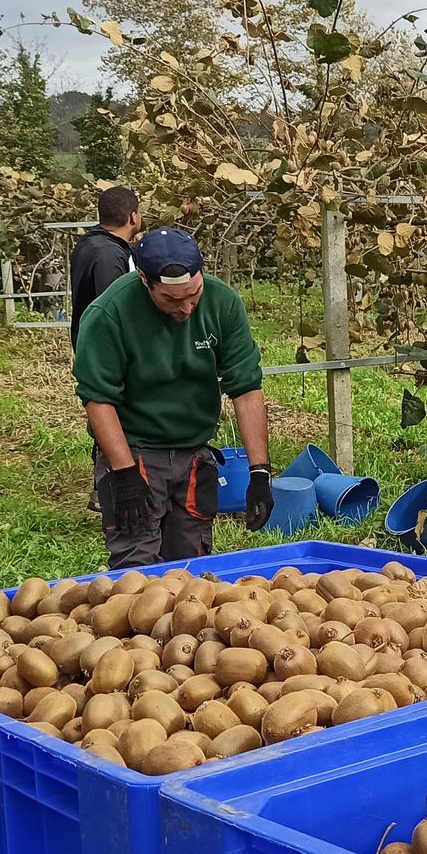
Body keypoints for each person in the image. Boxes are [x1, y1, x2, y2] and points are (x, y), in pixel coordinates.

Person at [72, 225, 275, 568]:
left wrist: (260, 472)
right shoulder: (109, 314)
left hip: (193, 452)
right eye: (171, 299)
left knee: (191, 564)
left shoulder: (223, 303)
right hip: (134, 451)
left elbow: (245, 388)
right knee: (136, 564)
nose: (186, 308)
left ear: (202, 275)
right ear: (144, 281)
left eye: (193, 294)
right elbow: (97, 399)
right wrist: (124, 474)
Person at [69, 185, 140, 345]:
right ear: (133, 217)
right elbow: (113, 310)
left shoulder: (88, 242)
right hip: (104, 349)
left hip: (88, 341)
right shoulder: (110, 255)